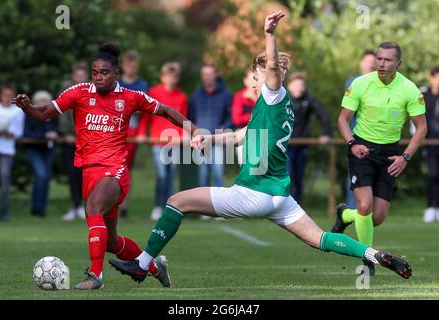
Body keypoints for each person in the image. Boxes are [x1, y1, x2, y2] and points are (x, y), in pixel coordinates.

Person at [109, 13, 412, 285]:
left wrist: (269, 35)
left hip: (252, 194)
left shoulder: (273, 96)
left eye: (255, 75)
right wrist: (206, 138)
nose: (253, 80)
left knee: (176, 201)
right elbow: (240, 136)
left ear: (262, 75)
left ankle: (142, 264)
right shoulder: (275, 109)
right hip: (279, 197)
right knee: (319, 237)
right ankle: (374, 254)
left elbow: (272, 73)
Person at [13, 43, 196, 290]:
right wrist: (27, 107)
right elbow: (45, 112)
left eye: (104, 73)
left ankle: (95, 276)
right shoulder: (78, 92)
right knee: (110, 242)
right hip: (89, 171)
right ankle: (154, 267)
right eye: (95, 72)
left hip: (115, 170)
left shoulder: (131, 97)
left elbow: (164, 110)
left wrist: (192, 129)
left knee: (93, 207)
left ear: (117, 74)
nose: (98, 77)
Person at [332, 42, 427, 276]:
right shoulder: (361, 83)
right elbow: (343, 120)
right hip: (361, 148)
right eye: (379, 58)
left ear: (398, 63)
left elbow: (422, 127)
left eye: (387, 60)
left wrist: (405, 157)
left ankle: (344, 215)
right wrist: (352, 143)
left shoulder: (409, 89)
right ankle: (369, 260)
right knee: (364, 206)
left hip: (390, 154)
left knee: (377, 217)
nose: (381, 63)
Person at [137, 62, 188, 221]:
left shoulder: (182, 97)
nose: (170, 80)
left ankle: (170, 207)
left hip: (175, 142)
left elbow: (183, 119)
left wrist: (185, 134)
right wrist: (141, 133)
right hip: (158, 142)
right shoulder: (153, 92)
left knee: (171, 175)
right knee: (162, 175)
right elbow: (146, 116)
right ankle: (158, 206)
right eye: (168, 77)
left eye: (173, 77)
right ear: (162, 77)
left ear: (177, 79)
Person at [286, 72, 331, 204]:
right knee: (288, 175)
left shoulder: (308, 99)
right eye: (296, 85)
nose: (299, 88)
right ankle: (283, 205)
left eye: (301, 85)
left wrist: (326, 133)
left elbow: (323, 115)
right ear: (289, 86)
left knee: (299, 177)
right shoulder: (283, 99)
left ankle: (296, 205)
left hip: (302, 145)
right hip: (284, 146)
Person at [189, 63, 232, 187]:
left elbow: (231, 117)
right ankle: (204, 206)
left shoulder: (226, 95)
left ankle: (220, 206)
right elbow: (190, 117)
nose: (207, 77)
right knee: (203, 176)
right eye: (204, 74)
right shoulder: (195, 96)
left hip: (217, 139)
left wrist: (225, 127)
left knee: (218, 174)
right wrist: (194, 130)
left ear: (216, 75)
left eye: (210, 74)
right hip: (200, 140)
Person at [343, 50, 377, 209]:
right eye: (367, 61)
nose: (370, 64)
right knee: (355, 174)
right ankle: (352, 209)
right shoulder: (354, 82)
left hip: (378, 137)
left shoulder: (381, 83)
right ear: (361, 64)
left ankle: (368, 209)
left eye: (373, 61)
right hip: (358, 137)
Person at [118, 50, 149, 218]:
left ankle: (124, 205)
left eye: (134, 66)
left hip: (132, 129)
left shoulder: (142, 85)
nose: (131, 69)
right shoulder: (115, 82)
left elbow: (141, 109)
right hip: (115, 129)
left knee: (126, 168)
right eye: (128, 65)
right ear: (123, 65)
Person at [0, 84, 24, 221]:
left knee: (4, 180)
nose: (7, 98)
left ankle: (4, 212)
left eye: (10, 95)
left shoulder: (17, 112)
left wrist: (11, 134)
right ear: (0, 95)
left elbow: (19, 132)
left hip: (7, 151)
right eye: (5, 95)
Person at [23, 91, 58, 218]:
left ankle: (41, 209)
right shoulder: (30, 115)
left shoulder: (52, 115)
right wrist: (44, 135)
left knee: (46, 178)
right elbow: (26, 133)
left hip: (48, 149)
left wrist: (54, 134)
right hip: (33, 149)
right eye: (40, 101)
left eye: (45, 101)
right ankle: (36, 207)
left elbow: (55, 130)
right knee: (41, 175)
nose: (42, 104)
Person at [60, 62, 88, 221]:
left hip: (87, 141)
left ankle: (86, 207)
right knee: (72, 174)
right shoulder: (67, 89)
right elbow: (62, 112)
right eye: (77, 75)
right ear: (73, 76)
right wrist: (66, 134)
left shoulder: (93, 90)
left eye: (83, 76)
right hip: (70, 139)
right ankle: (75, 206)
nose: (80, 78)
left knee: (86, 175)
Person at [422, 66, 439, 223]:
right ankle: (430, 207)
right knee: (432, 175)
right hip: (429, 143)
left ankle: (437, 207)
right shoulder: (424, 95)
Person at [231, 69, 258, 165]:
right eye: (251, 79)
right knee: (246, 167)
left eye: (256, 79)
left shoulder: (263, 97)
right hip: (243, 135)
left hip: (262, 134)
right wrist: (256, 116)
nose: (254, 83)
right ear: (245, 81)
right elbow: (237, 119)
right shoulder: (240, 96)